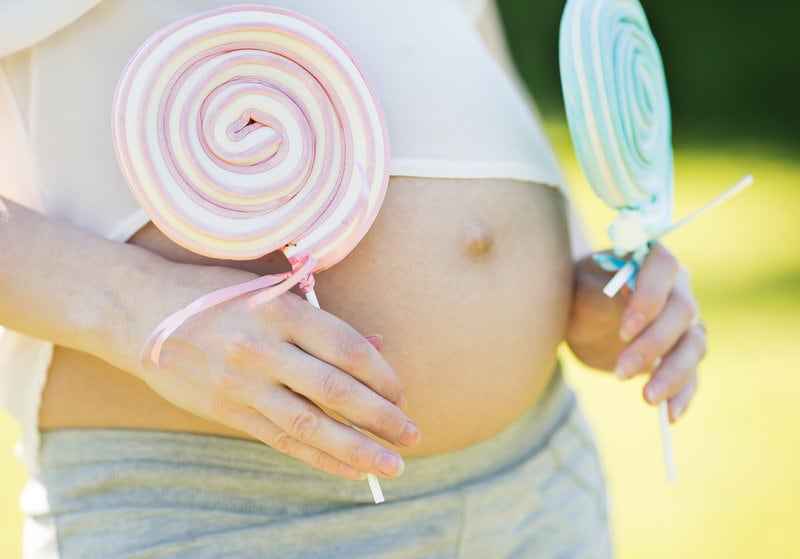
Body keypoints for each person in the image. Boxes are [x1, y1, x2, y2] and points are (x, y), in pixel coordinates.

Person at [0, 0, 705, 557]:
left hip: (536, 480)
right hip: (216, 510)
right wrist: (137, 309)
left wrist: (575, 283)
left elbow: (467, 65)